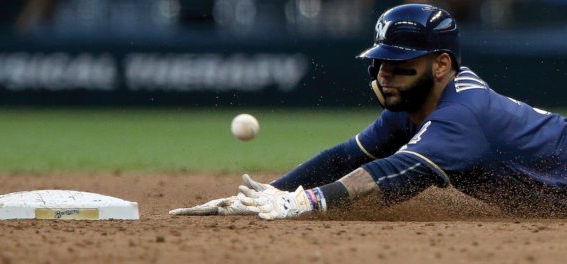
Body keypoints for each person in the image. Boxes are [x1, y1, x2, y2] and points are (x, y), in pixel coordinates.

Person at [169, 4, 567, 220]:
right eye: (381, 62)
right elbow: (346, 157)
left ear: (442, 64)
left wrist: (303, 202)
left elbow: (395, 173)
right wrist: (272, 191)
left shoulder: (463, 114)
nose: (385, 73)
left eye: (400, 62)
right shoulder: (411, 105)